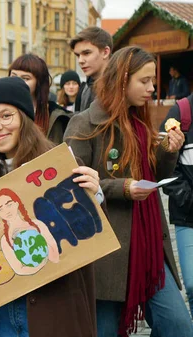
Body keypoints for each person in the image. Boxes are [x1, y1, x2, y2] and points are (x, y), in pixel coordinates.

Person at [0, 76, 100, 337]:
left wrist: (95, 196)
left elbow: (91, 233)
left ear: (24, 119)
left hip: (52, 306)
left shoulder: (61, 164)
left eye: (6, 116)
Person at [64, 46, 193, 337]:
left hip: (149, 247)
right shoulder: (83, 123)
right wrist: (123, 188)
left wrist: (168, 151)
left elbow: (155, 174)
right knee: (106, 331)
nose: (151, 88)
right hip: (105, 252)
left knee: (179, 326)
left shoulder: (140, 121)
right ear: (122, 80)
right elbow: (70, 183)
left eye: (153, 80)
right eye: (144, 81)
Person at [160, 92, 193, 318]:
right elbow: (165, 166)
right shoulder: (181, 113)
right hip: (187, 215)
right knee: (192, 283)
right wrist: (187, 197)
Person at [0, 188, 60, 275]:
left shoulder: (37, 225)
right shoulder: (5, 240)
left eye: (9, 204)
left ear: (16, 203)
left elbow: (55, 258)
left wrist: (36, 238)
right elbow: (19, 270)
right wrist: (42, 263)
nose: (6, 211)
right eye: (0, 209)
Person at [8, 53, 71, 144]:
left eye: (25, 78)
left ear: (39, 83)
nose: (17, 82)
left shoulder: (57, 118)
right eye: (13, 76)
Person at [70, 27, 112, 112]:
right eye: (78, 55)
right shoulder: (84, 90)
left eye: (86, 53)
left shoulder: (121, 87)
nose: (80, 61)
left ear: (105, 52)